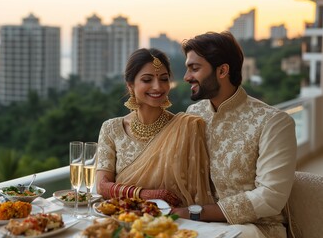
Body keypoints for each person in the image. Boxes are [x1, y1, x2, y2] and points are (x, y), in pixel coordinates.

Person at [175, 31, 297, 238]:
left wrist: (193, 213)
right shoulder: (194, 114)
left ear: (222, 71)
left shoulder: (273, 122)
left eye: (194, 69)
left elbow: (270, 197)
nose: (187, 77)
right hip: (197, 225)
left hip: (254, 229)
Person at [95, 48, 214, 207]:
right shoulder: (112, 129)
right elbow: (102, 186)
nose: (158, 87)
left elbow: (196, 193)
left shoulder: (186, 128)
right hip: (123, 218)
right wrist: (147, 195)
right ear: (130, 85)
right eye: (147, 80)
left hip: (172, 222)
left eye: (164, 79)